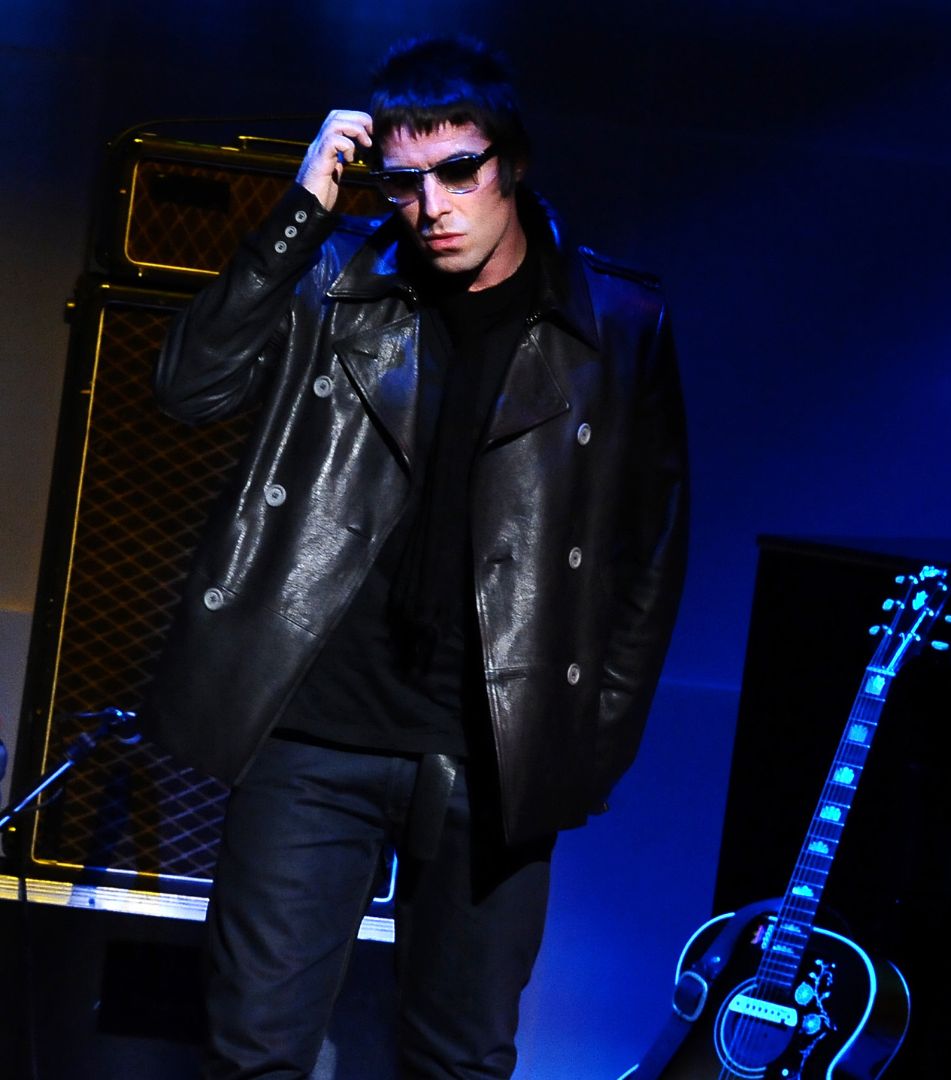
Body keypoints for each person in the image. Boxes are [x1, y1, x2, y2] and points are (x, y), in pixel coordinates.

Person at [145, 36, 688, 1078]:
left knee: (459, 1059)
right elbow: (189, 387)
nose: (433, 203)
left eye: (459, 171)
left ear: (512, 164)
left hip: (494, 752)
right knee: (252, 1048)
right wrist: (302, 212)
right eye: (403, 182)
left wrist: (588, 744)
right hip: (313, 733)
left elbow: (648, 554)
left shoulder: (617, 323)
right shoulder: (336, 280)